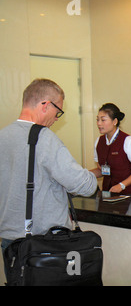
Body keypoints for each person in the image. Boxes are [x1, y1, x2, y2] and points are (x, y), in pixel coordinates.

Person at [0, 78, 98, 257]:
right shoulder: (44, 139)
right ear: (45, 105)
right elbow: (85, 185)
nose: (56, 118)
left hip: (10, 244)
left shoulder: (3, 136)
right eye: (58, 111)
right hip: (43, 245)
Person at [90, 103, 131, 195]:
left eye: (103, 120)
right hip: (108, 193)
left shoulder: (129, 141)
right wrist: (83, 174)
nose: (99, 123)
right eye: (97, 120)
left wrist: (122, 185)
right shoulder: (99, 142)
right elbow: (102, 170)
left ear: (115, 121)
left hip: (129, 194)